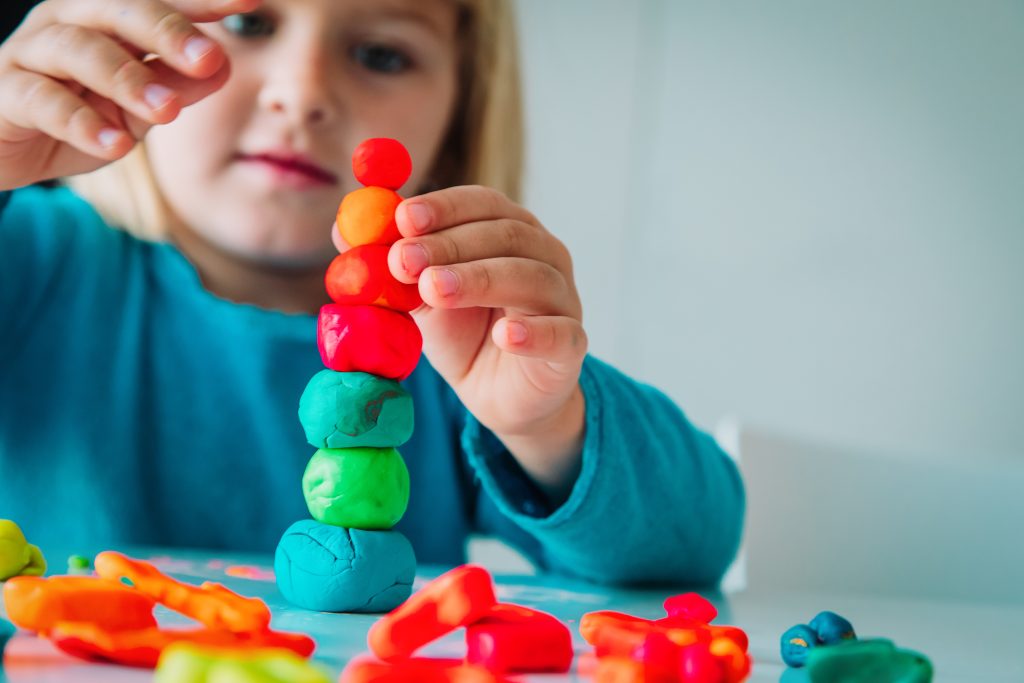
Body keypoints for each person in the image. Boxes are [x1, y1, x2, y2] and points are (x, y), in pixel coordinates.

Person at [0, 0, 743, 585]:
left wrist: (549, 423)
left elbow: (692, 544)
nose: (304, 92)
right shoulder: (37, 263)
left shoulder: (455, 338)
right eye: (247, 23)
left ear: (459, 116)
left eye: (381, 54)